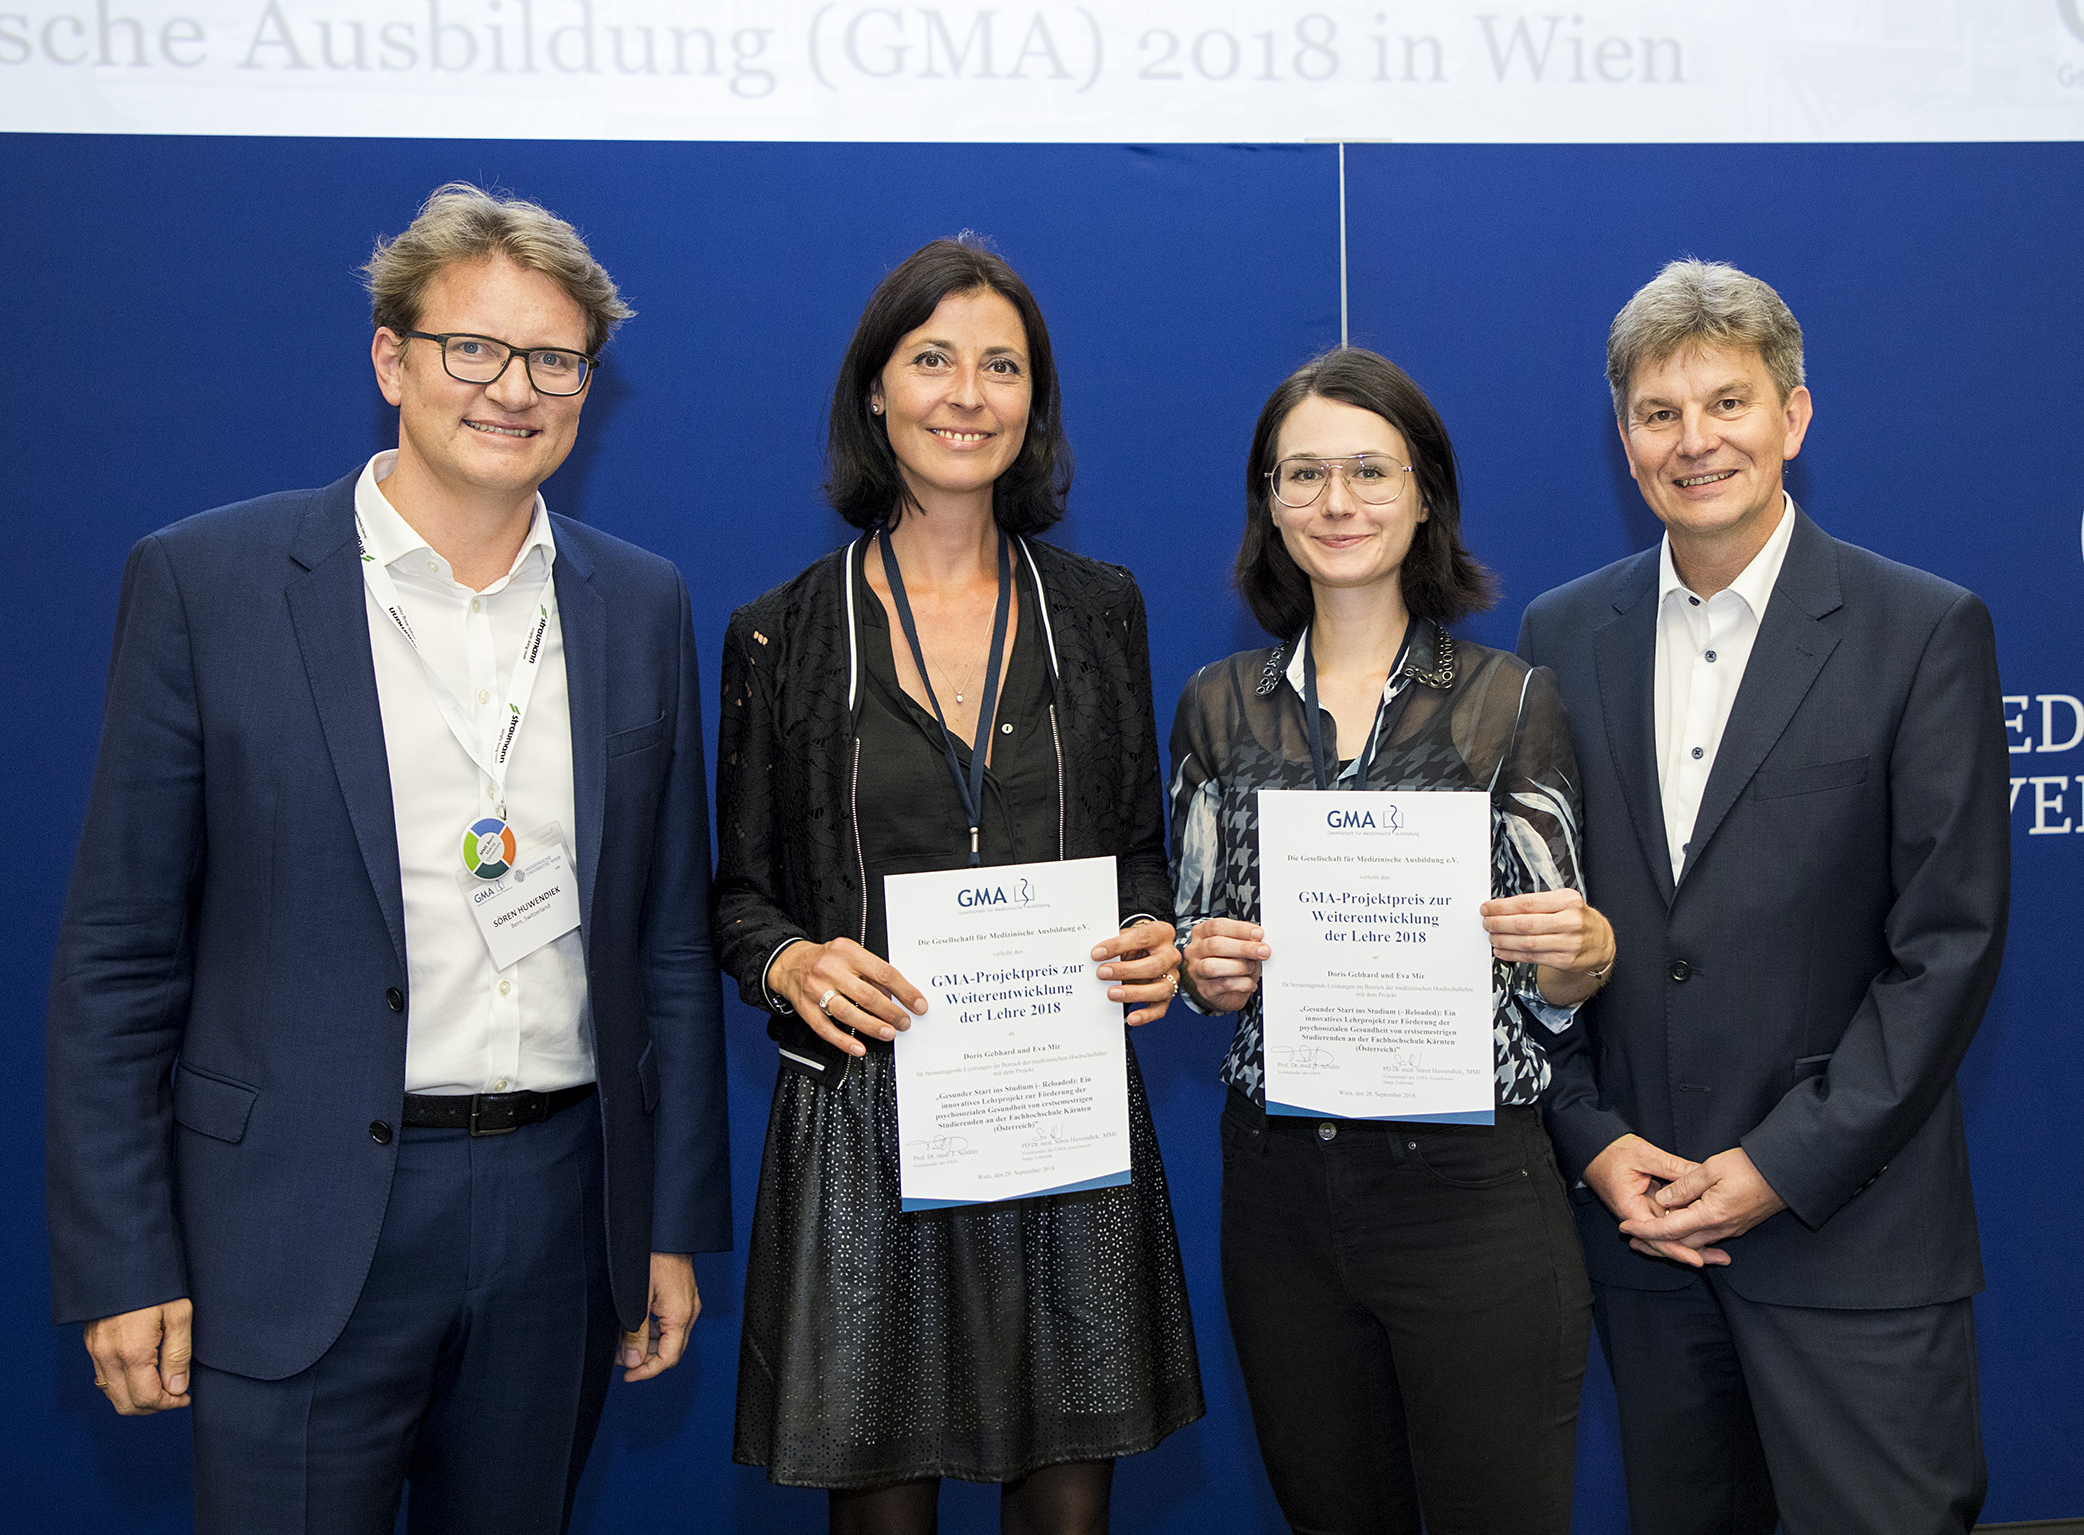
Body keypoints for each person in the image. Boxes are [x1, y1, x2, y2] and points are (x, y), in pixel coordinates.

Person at [46, 183, 731, 1532]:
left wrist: (666, 1218)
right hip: (291, 1223)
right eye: (472, 347)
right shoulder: (209, 582)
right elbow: (119, 951)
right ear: (389, 358)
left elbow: (665, 938)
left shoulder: (639, 602)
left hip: (558, 1218)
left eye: (553, 360)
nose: (512, 388)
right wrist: (123, 1257)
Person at [713, 236, 1204, 1534]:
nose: (967, 394)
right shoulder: (780, 630)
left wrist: (1148, 928)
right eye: (932, 359)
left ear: (1034, 401)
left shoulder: (1098, 610)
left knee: (1067, 1518)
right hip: (864, 1127)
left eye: (1001, 365)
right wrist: (791, 960)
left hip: (1058, 1112)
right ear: (874, 389)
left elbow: (1137, 847)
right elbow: (736, 895)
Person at [1515, 259, 2010, 1535]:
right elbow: (1531, 923)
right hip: (1643, 1241)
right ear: (1623, 437)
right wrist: (1590, 1137)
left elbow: (1946, 947)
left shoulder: (1920, 629)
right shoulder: (1558, 638)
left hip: (1850, 1238)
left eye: (1726, 402)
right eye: (1657, 412)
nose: (1694, 440)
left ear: (1792, 416)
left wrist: (1776, 1165)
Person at [1168, 347, 1613, 1535]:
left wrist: (1577, 952)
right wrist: (1204, 970)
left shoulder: (1509, 699)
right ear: (1269, 501)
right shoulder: (1215, 704)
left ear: (1425, 497)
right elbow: (1197, 945)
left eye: (1370, 470)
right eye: (1303, 473)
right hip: (1281, 1197)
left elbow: (1558, 979)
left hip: (1468, 1192)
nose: (1337, 500)